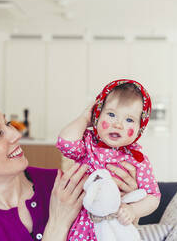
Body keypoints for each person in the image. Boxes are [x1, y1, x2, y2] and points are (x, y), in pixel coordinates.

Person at [0, 90, 139, 241]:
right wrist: (58, 224)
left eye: (7, 123)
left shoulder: (62, 183)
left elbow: (112, 232)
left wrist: (125, 204)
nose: (16, 134)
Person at [57, 79, 161, 240]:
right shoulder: (88, 144)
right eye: (111, 114)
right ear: (97, 114)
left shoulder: (137, 159)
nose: (118, 124)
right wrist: (85, 118)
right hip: (83, 225)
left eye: (129, 120)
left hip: (115, 227)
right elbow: (65, 142)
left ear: (140, 127)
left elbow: (153, 196)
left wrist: (133, 210)